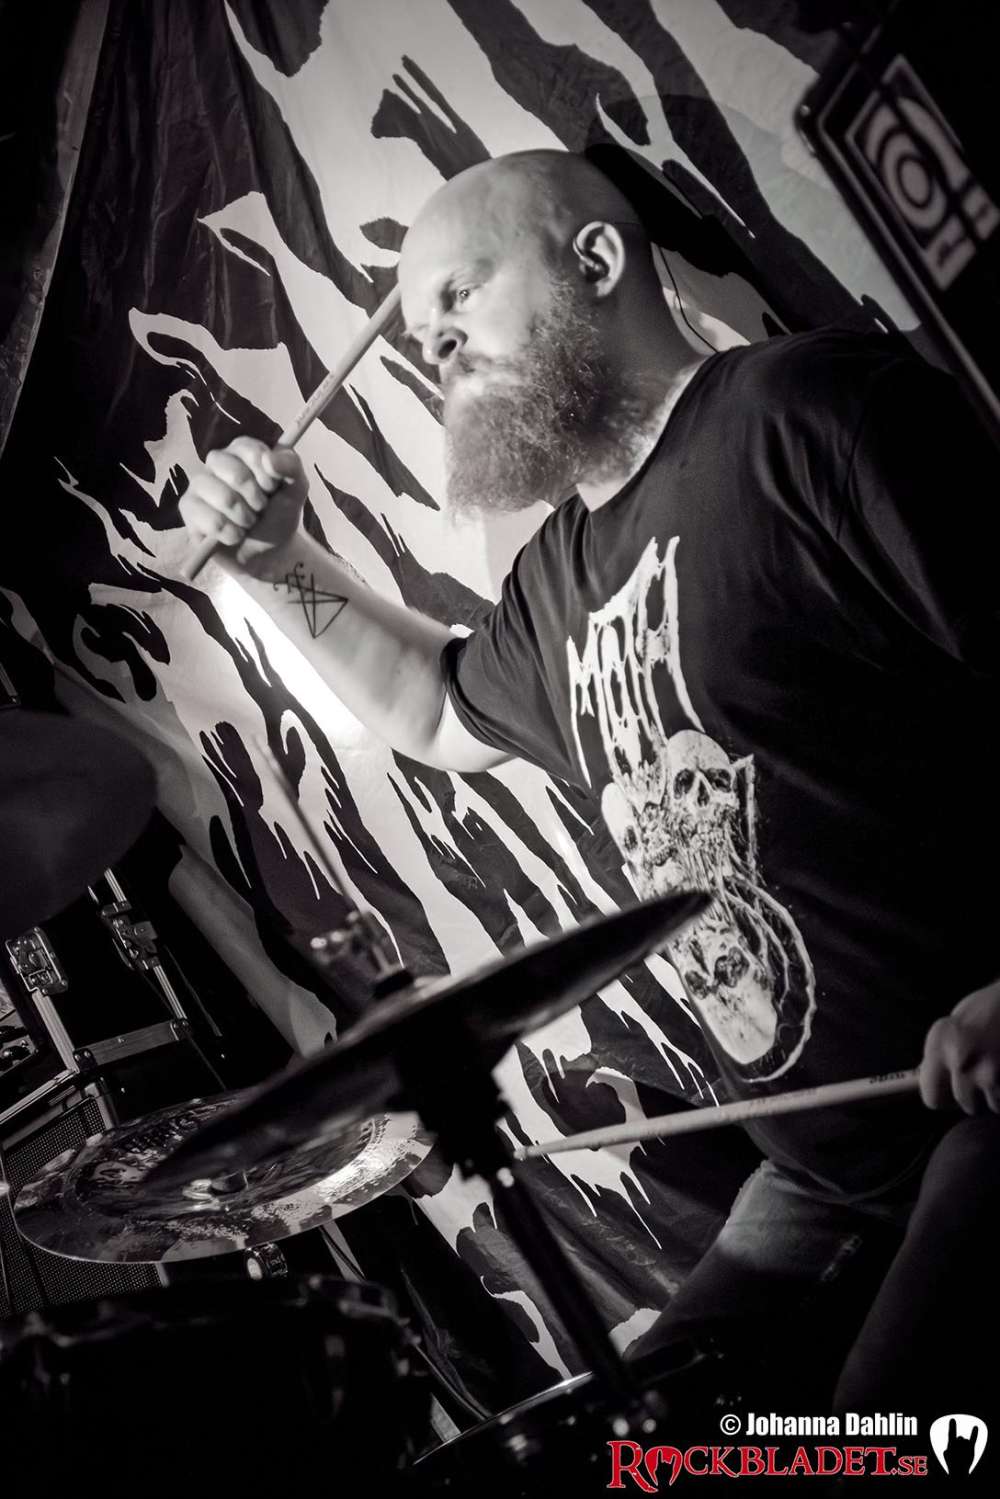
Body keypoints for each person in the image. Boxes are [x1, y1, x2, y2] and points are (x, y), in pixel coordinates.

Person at [179, 150, 1000, 1423]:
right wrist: (277, 557)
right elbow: (434, 709)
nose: (436, 345)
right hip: (823, 1166)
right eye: (423, 334)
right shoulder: (556, 583)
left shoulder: (810, 411)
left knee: (868, 1444)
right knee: (635, 1447)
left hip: (977, 1103)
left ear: (597, 261)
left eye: (459, 294)